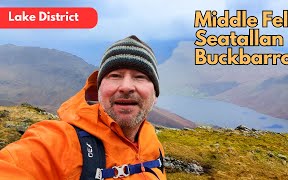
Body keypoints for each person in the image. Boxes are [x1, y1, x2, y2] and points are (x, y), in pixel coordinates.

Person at [0, 35, 166, 179]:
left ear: (155, 95)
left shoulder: (152, 141)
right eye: (115, 76)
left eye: (140, 77)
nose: (126, 86)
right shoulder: (60, 140)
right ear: (99, 90)